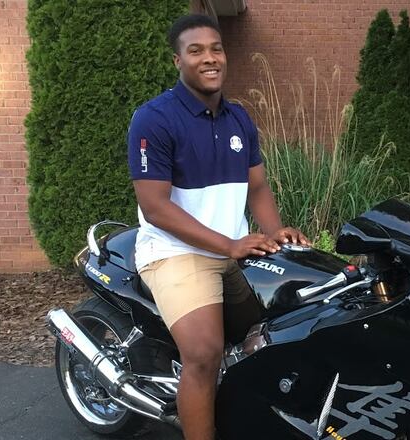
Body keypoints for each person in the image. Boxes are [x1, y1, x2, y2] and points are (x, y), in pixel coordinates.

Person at [126, 14, 308, 440]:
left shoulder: (239, 119)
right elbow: (155, 207)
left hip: (234, 251)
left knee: (286, 323)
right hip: (175, 253)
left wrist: (275, 230)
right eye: (196, 51)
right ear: (177, 61)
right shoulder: (154, 119)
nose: (210, 59)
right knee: (205, 355)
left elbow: (257, 186)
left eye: (216, 49)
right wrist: (229, 245)